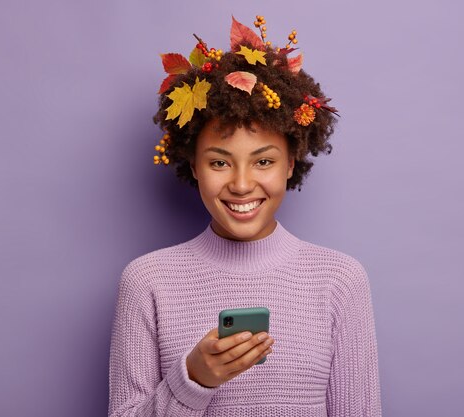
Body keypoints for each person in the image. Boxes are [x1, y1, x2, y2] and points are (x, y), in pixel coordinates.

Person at [108, 14, 381, 417]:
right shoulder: (147, 282)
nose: (240, 184)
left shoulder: (340, 281)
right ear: (194, 165)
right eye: (219, 163)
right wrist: (193, 380)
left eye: (263, 161)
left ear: (291, 162)